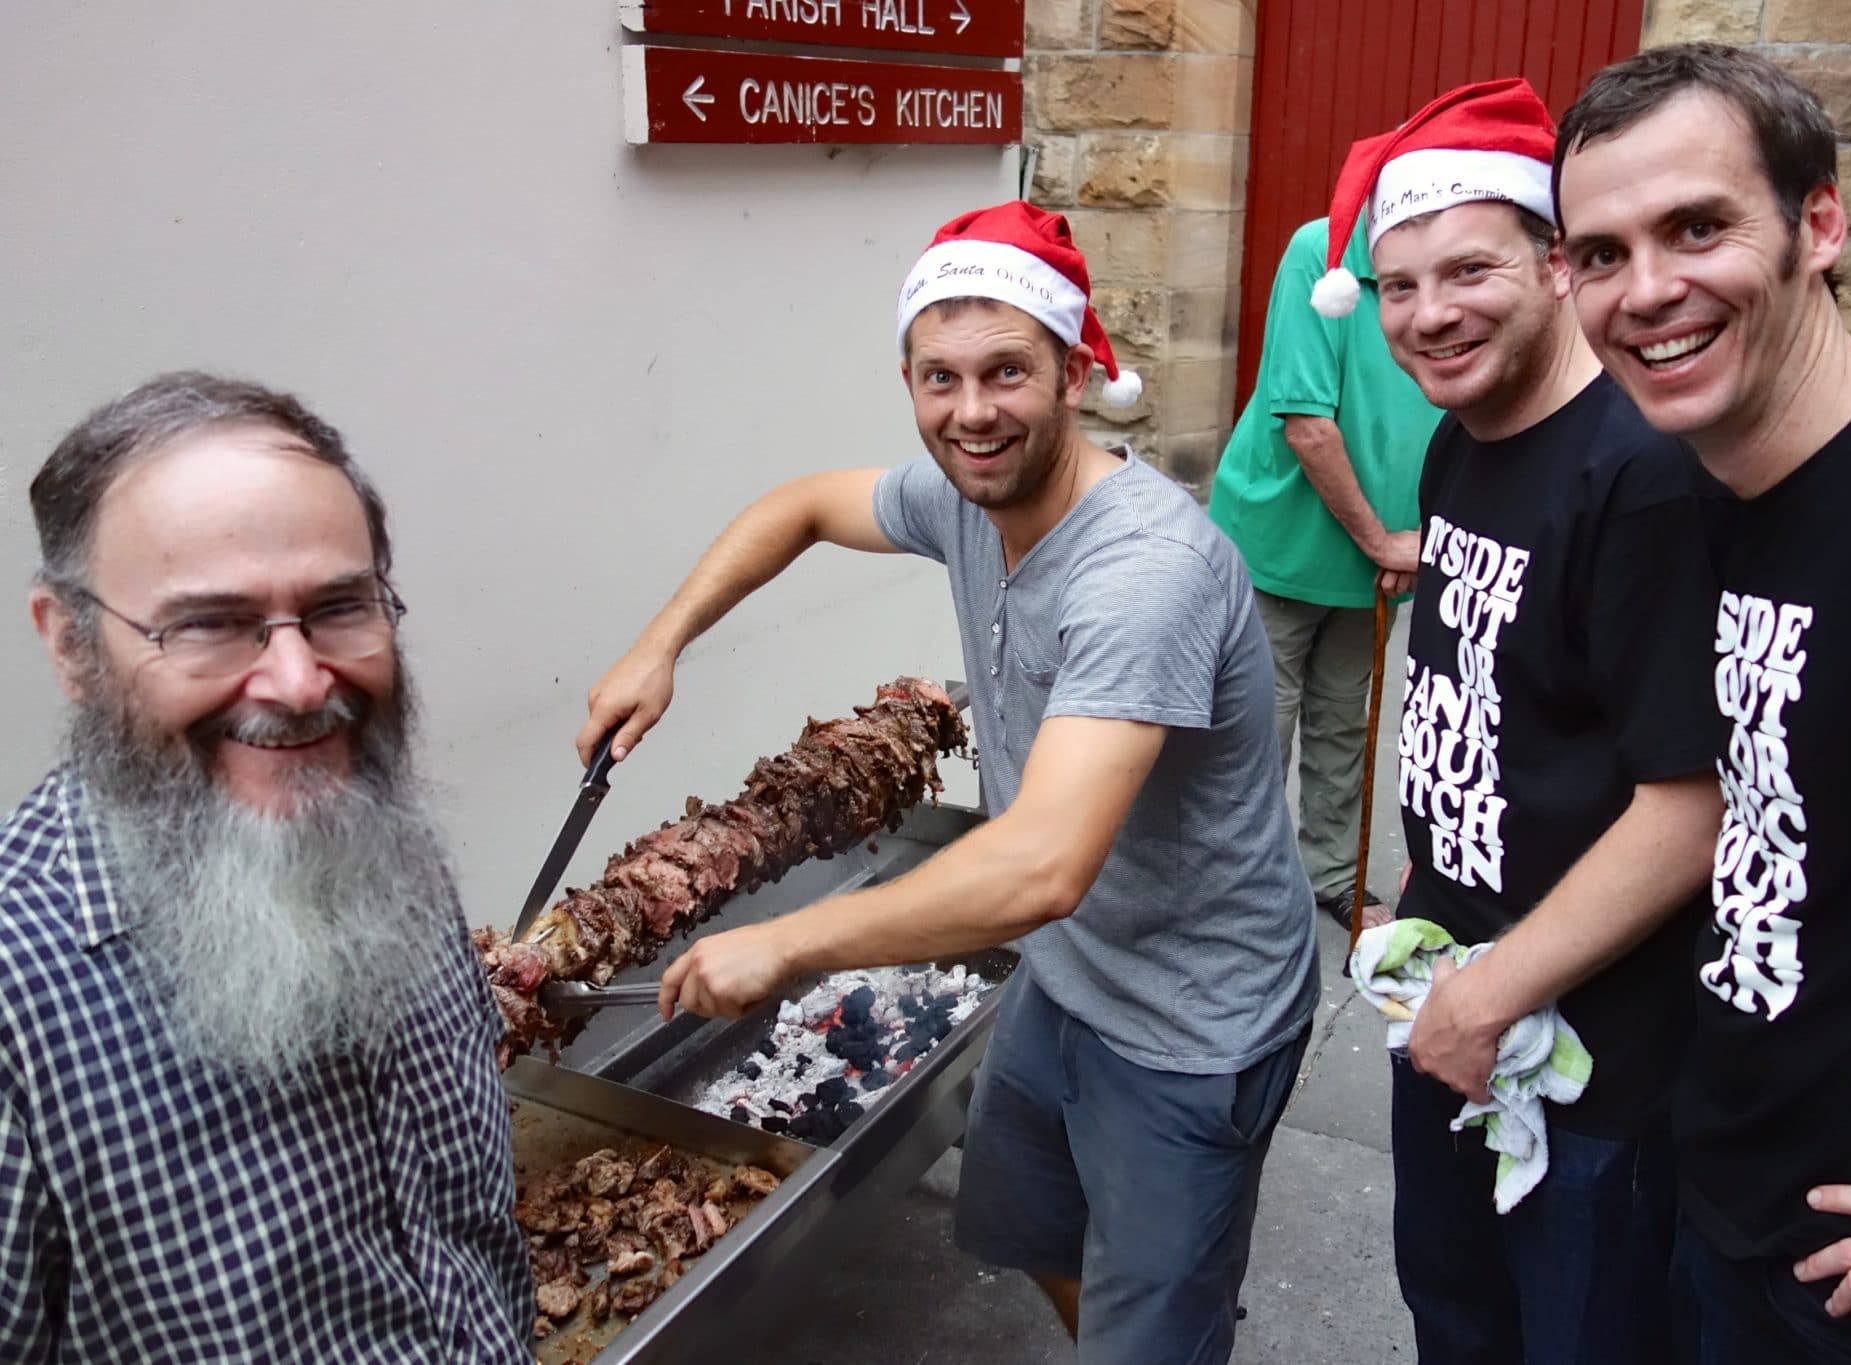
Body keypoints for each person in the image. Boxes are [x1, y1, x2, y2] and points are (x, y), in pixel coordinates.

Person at [580, 201, 1319, 1363]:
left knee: (1156, 1325)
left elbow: (1040, 867)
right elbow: (805, 506)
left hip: (1189, 1018)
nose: (971, 413)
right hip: (1069, 977)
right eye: (939, 378)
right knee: (1037, 1227)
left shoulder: (1143, 572)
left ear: (1074, 372)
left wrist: (788, 946)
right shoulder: (971, 498)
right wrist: (658, 644)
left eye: (1006, 373)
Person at [1555, 43, 1851, 1364]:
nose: (1647, 291)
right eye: (1601, 253)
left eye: (1698, 227)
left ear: (1818, 223)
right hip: (1732, 1212)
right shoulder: (1701, 488)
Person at [1311, 79, 1729, 1363]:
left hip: (1594, 1059)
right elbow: (1499, 705)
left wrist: (1494, 987)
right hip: (1456, 993)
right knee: (1454, 1318)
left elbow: (1692, 803)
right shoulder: (1459, 443)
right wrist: (1421, 901)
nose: (1430, 316)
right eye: (1397, 286)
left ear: (1553, 264)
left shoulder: (1639, 474)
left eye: (1468, 270)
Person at [1, 373, 533, 1361]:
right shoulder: (17, 1016)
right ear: (70, 645)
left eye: (339, 606)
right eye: (207, 623)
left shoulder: (381, 844)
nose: (297, 683)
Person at [1209, 212, 1440, 931]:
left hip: (1382, 551)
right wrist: (1386, 541)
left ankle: (1332, 875)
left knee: (1346, 722)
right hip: (1283, 544)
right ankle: (1230, 897)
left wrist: (1418, 540)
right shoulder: (1323, 252)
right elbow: (1307, 423)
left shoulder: (1452, 266)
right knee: (1253, 734)